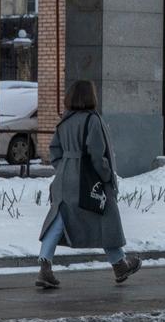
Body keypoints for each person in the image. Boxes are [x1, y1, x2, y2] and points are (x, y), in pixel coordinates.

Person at [36, 80, 142, 289]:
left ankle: (44, 267)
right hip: (88, 178)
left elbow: (54, 150)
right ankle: (119, 264)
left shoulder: (64, 121)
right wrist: (106, 176)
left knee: (58, 219)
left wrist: (65, 167)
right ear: (90, 97)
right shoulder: (93, 120)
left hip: (64, 177)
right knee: (106, 216)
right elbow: (97, 155)